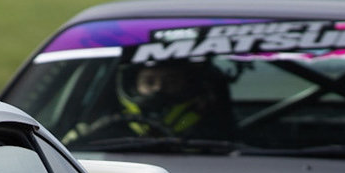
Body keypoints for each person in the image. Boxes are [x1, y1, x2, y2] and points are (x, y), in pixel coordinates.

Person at [66, 58, 235, 144]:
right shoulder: (93, 135)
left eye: (171, 81)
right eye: (149, 81)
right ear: (132, 86)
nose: (158, 89)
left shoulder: (219, 139)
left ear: (187, 86)